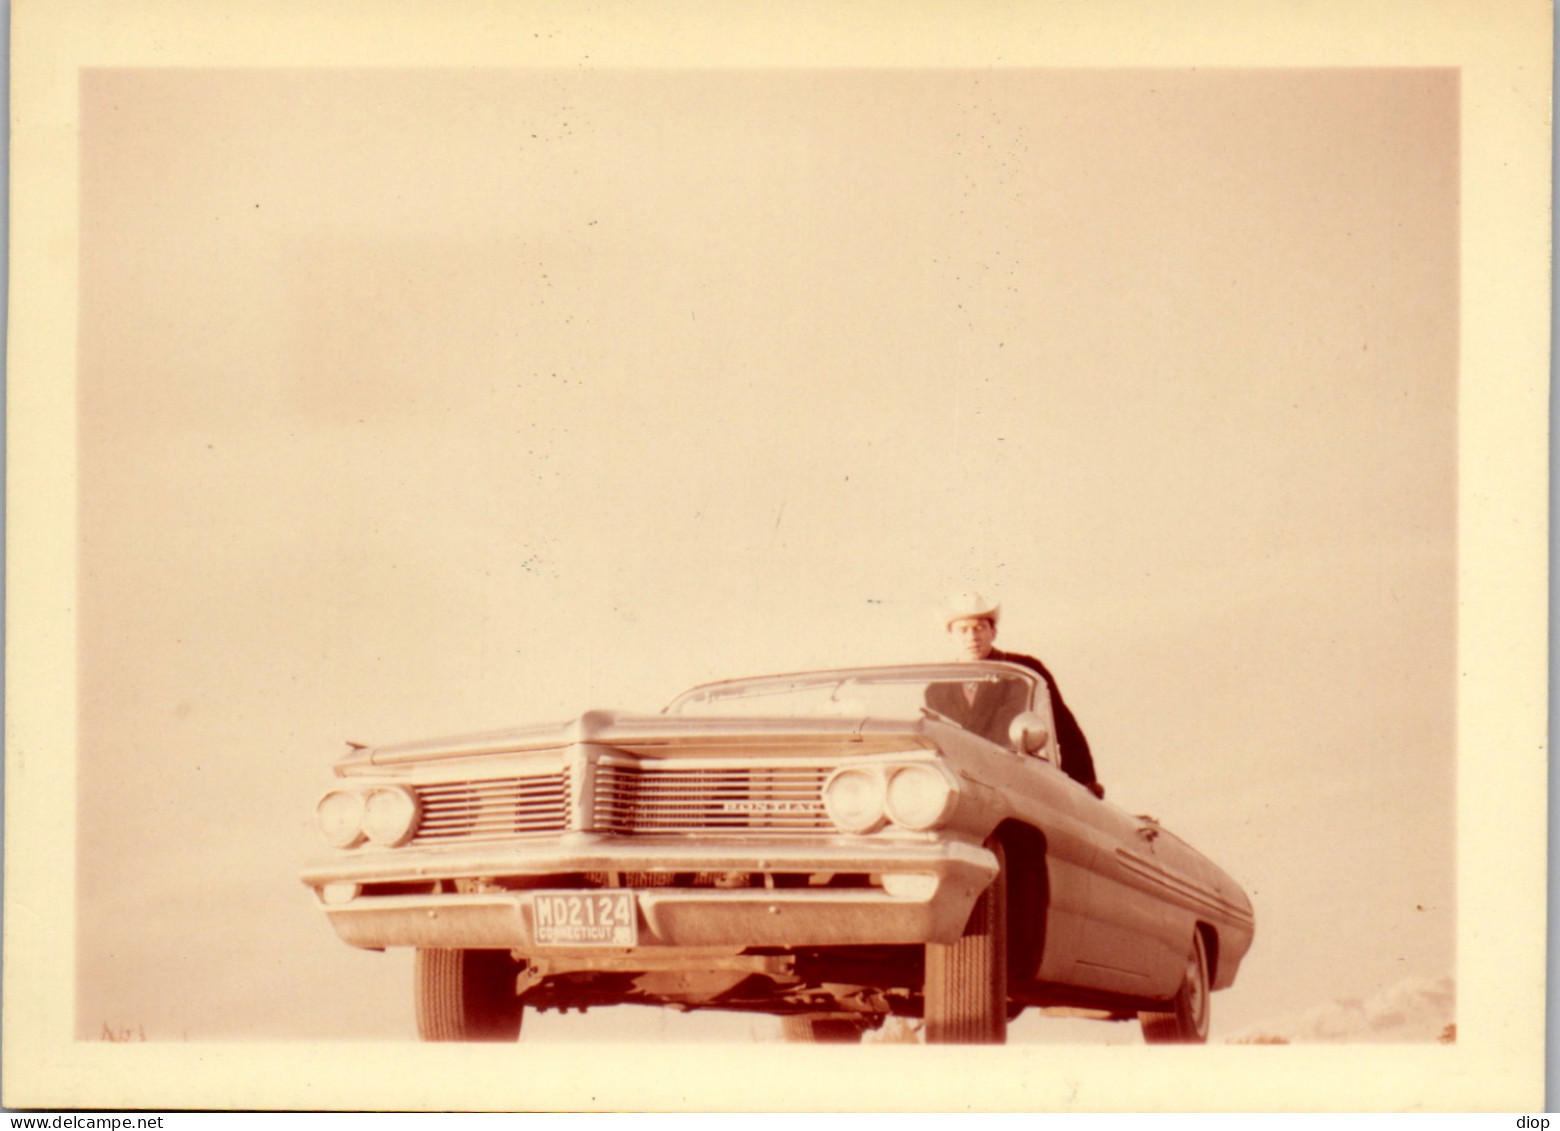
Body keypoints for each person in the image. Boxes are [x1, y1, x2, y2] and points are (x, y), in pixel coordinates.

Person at [926, 592, 1104, 798]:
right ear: (950, 636)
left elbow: (1063, 725)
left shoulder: (1023, 670)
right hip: (967, 785)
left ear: (993, 632)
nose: (972, 637)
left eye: (979, 628)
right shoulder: (938, 688)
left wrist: (1085, 783)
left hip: (1019, 783)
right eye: (963, 630)